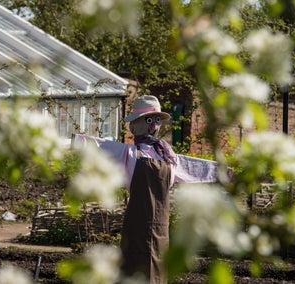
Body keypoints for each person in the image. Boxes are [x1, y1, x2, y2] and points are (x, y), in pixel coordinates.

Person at [73, 95, 221, 283]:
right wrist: (75, 141)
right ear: (134, 126)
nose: (154, 125)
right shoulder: (129, 153)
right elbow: (99, 146)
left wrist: (223, 171)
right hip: (137, 224)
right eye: (149, 120)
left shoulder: (169, 156)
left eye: (157, 120)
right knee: (135, 267)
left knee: (158, 270)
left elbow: (192, 166)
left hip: (161, 226)